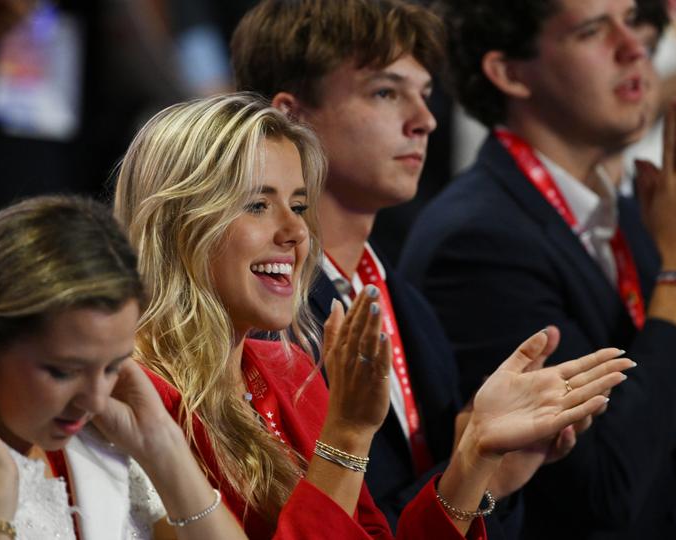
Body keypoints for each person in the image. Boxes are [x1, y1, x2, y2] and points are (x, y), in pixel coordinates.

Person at [113, 92, 635, 540]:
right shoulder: (137, 396)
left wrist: (475, 453)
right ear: (177, 225)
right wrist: (345, 437)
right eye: (256, 205)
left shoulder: (289, 371)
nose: (295, 234)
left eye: (298, 206)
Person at [230, 2, 606, 537]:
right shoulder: (261, 307)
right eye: (386, 92)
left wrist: (495, 467)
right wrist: (470, 464)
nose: (424, 120)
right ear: (292, 116)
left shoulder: (409, 304)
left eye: (425, 95)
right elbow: (308, 526)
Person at [400, 1, 676, 539]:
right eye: (593, 29)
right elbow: (604, 493)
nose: (634, 45)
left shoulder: (633, 215)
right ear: (509, 72)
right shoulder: (476, 243)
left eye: (633, 19)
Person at [0, 195, 248, 539]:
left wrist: (165, 448)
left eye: (112, 368)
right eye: (65, 371)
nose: (92, 401)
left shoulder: (105, 447)